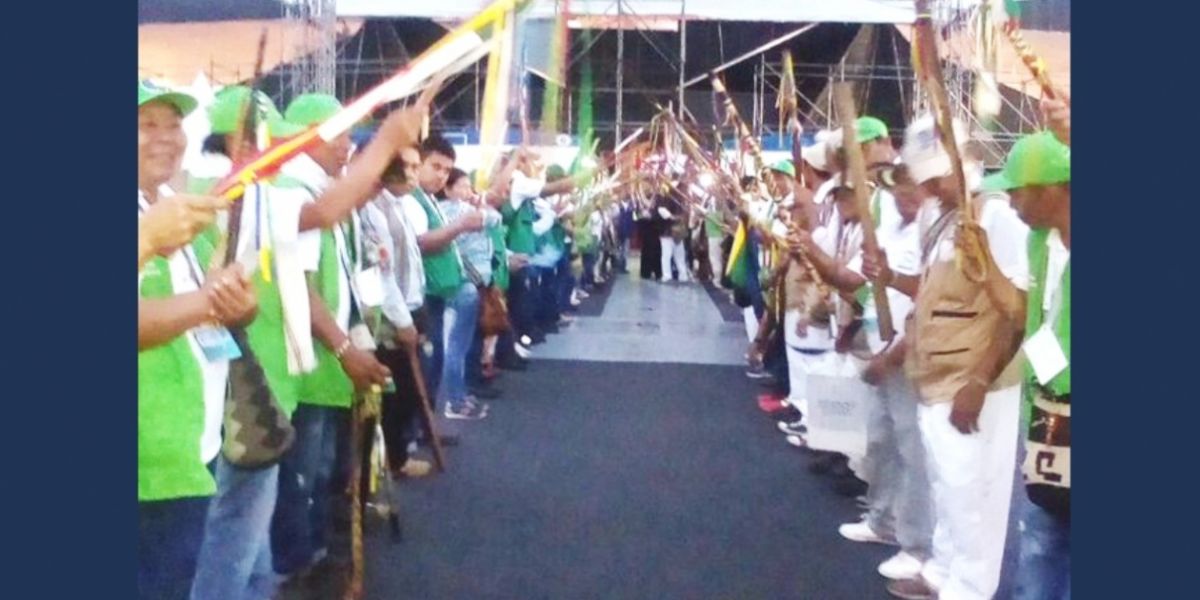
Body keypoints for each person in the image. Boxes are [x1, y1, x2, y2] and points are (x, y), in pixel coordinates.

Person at [873, 114, 1029, 600]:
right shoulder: (945, 221)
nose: (928, 186)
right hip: (935, 375)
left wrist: (978, 382)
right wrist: (891, 279)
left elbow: (1015, 310)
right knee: (947, 486)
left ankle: (969, 588)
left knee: (972, 494)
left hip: (971, 381)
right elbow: (934, 293)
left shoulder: (996, 217)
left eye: (935, 176)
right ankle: (943, 571)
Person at [138, 80, 258, 600]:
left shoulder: (172, 205)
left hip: (191, 443)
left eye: (173, 124)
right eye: (146, 125)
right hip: (148, 459)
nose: (167, 138)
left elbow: (220, 300)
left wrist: (236, 305)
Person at [982, 131, 1071, 600]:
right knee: (1040, 537)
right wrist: (984, 265)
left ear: (1054, 186)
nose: (1010, 199)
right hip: (1045, 416)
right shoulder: (1038, 241)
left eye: (1017, 188)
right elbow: (1024, 313)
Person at [400, 134, 489, 420]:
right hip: (425, 294)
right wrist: (460, 225)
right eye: (434, 167)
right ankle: (423, 427)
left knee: (437, 359)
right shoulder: (412, 200)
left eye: (446, 170)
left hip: (438, 292)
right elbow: (422, 243)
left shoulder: (427, 200)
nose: (441, 176)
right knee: (430, 362)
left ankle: (428, 425)